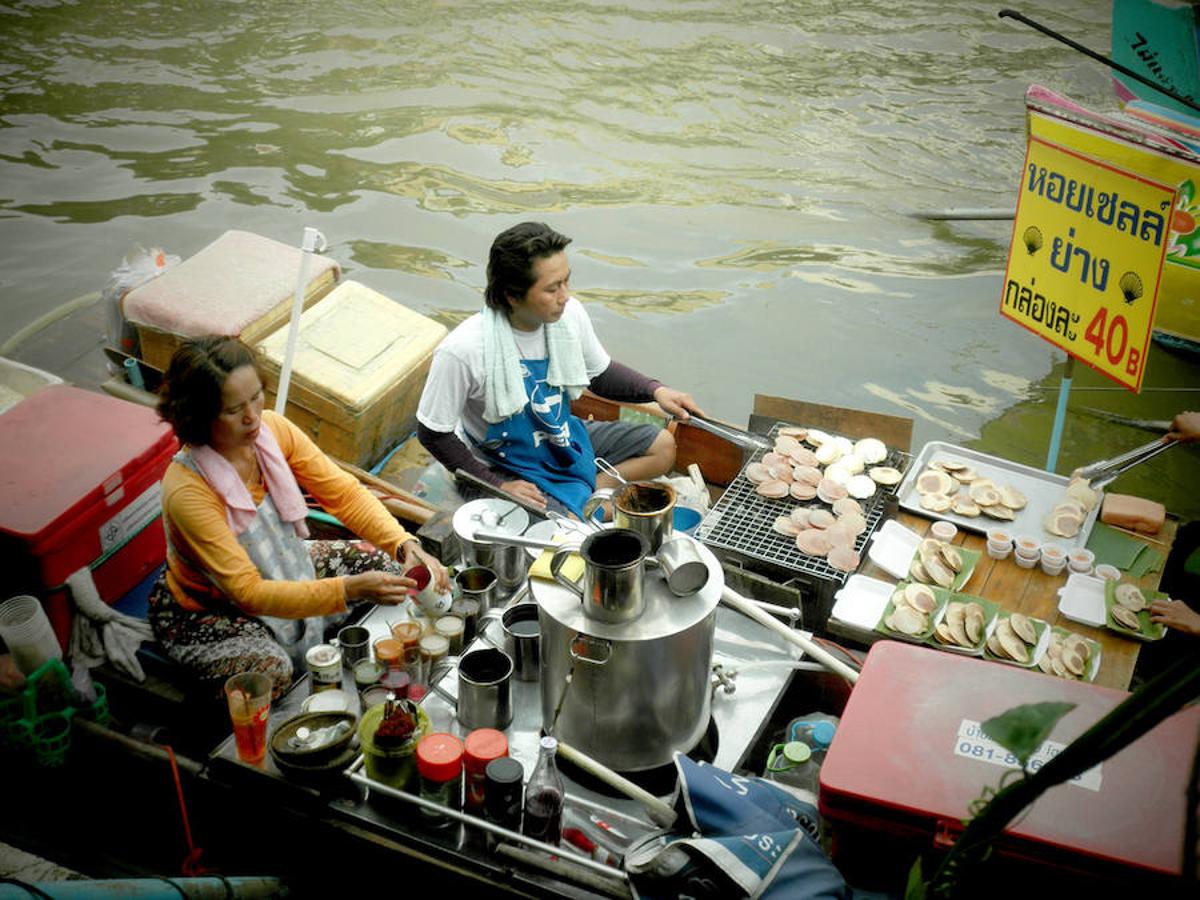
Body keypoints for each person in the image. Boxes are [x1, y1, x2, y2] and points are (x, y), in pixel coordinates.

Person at [149, 336, 449, 698]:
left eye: (256, 396)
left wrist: (405, 546)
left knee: (389, 567)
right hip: (210, 608)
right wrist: (346, 590)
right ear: (198, 416)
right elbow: (248, 592)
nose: (252, 416)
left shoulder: (273, 430)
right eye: (232, 410)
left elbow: (345, 494)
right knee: (270, 674)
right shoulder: (188, 491)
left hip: (286, 562)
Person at [416, 221, 704, 517]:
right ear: (512, 296)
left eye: (566, 281)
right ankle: (581, 509)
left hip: (559, 433)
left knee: (664, 447)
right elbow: (433, 433)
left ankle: (586, 499)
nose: (565, 296)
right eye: (552, 289)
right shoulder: (463, 350)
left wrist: (656, 391)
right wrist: (497, 486)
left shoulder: (569, 315)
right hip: (503, 464)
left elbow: (600, 374)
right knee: (562, 529)